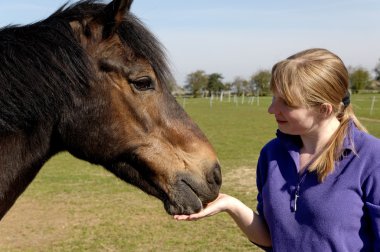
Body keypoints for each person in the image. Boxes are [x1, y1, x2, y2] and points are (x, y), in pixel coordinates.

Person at [174, 48, 380, 251]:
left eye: (287, 103)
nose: (272, 109)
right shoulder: (271, 155)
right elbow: (271, 237)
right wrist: (231, 205)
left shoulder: (371, 159)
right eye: (274, 98)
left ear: (324, 109)